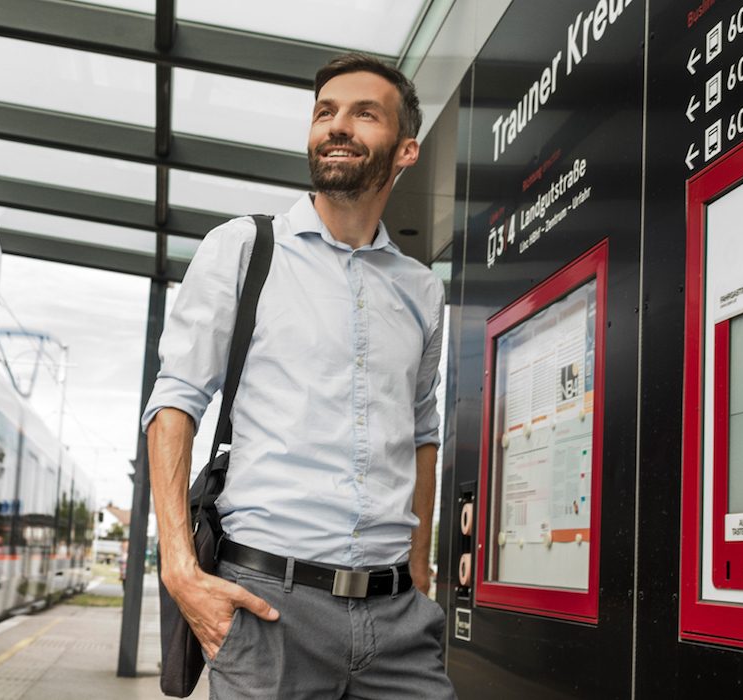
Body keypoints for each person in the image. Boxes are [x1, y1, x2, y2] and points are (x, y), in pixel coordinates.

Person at [142, 53, 454, 699]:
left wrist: (420, 568)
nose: (337, 126)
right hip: (268, 607)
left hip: (398, 617)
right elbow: (175, 403)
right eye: (324, 113)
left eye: (363, 114)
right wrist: (178, 567)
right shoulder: (244, 248)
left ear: (405, 150)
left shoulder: (421, 290)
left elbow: (423, 427)